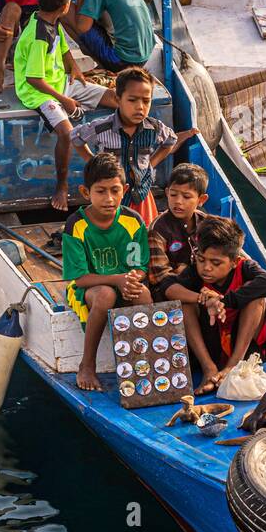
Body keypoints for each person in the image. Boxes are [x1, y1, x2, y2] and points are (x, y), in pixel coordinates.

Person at [13, 0, 117, 211]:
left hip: (61, 82)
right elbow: (33, 78)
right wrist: (65, 101)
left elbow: (63, 49)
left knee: (113, 98)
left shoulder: (51, 21)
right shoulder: (38, 36)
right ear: (65, 6)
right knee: (67, 132)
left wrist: (75, 68)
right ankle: (63, 184)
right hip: (39, 92)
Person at [62, 152, 152, 391]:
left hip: (122, 282)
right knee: (105, 295)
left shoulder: (133, 221)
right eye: (100, 191)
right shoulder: (76, 224)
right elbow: (79, 278)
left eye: (115, 190)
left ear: (124, 189)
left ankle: (141, 362)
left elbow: (138, 266)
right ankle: (87, 365)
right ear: (85, 192)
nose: (109, 198)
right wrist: (117, 279)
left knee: (142, 294)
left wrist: (132, 279)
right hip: (89, 288)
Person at [158, 216, 266, 395]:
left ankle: (232, 366)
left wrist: (223, 300)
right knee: (185, 305)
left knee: (257, 300)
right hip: (210, 346)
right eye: (201, 259)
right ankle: (209, 369)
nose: (206, 268)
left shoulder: (245, 268)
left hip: (242, 347)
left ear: (234, 262)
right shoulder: (195, 274)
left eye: (216, 263)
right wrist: (202, 298)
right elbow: (167, 286)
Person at [71, 66, 197, 226]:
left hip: (141, 196)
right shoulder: (102, 128)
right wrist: (93, 162)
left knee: (142, 234)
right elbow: (76, 137)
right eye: (132, 100)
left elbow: (170, 141)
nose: (140, 107)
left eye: (146, 101)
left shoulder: (155, 128)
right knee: (114, 233)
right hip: (112, 197)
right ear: (118, 100)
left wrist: (151, 164)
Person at [147, 163, 210, 286]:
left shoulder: (206, 223)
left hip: (205, 281)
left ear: (201, 200)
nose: (178, 202)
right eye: (173, 194)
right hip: (171, 287)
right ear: (166, 193)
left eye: (186, 197)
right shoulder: (158, 229)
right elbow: (160, 276)